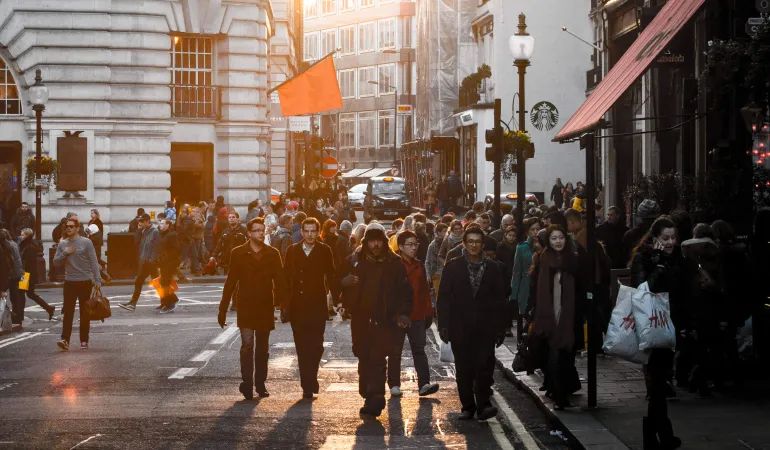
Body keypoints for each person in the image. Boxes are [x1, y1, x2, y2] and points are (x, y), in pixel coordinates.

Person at [338, 221, 412, 419]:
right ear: (366, 242)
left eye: (379, 241)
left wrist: (403, 313)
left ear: (385, 242)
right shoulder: (354, 260)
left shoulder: (394, 263)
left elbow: (405, 291)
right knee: (363, 356)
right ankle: (367, 393)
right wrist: (342, 285)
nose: (376, 245)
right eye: (372, 242)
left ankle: (376, 396)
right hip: (361, 319)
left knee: (379, 359)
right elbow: (339, 280)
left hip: (384, 319)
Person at [437, 225, 507, 420]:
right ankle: (468, 406)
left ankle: (484, 404)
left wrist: (501, 327)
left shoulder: (493, 268)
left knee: (485, 365)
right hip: (460, 326)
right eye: (470, 242)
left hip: (486, 326)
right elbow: (443, 298)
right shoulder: (453, 266)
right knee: (464, 368)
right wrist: (444, 324)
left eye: (477, 241)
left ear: (482, 244)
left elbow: (500, 298)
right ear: (464, 244)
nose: (474, 245)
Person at [629, 217, 684, 450]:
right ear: (655, 238)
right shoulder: (643, 257)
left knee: (661, 384)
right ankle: (660, 434)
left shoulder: (677, 257)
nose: (671, 242)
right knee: (659, 383)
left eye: (673, 237)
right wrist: (659, 266)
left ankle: (654, 435)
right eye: (666, 238)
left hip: (672, 324)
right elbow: (642, 290)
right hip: (652, 325)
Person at [218, 217, 285, 400]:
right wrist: (223, 308)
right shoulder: (238, 253)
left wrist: (283, 305)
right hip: (246, 305)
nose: (260, 233)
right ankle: (247, 382)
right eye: (256, 230)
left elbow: (280, 281)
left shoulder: (272, 253)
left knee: (262, 348)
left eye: (262, 230)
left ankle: (260, 383)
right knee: (247, 345)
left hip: (264, 305)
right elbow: (231, 280)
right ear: (249, 233)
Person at [282, 218, 340, 398]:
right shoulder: (293, 250)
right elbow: (285, 278)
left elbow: (331, 275)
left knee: (316, 346)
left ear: (317, 232)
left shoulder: (324, 250)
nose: (309, 235)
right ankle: (307, 384)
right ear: (302, 232)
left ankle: (311, 377)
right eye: (306, 231)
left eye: (313, 231)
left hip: (316, 304)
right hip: (297, 305)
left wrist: (337, 300)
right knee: (301, 346)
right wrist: (283, 304)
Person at [528, 225, 580, 410]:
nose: (558, 241)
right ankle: (558, 395)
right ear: (548, 242)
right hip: (549, 314)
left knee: (566, 356)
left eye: (561, 238)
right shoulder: (545, 259)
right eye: (554, 238)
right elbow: (539, 289)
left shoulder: (573, 259)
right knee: (554, 355)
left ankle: (561, 391)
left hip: (569, 314)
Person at [387, 230, 439, 398]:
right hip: (398, 316)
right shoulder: (393, 264)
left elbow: (424, 290)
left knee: (419, 350)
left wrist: (428, 312)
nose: (413, 248)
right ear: (400, 246)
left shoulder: (419, 265)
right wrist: (395, 314)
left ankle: (424, 384)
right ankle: (394, 384)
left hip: (417, 315)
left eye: (415, 244)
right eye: (409, 244)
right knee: (395, 351)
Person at [53, 217, 102, 351]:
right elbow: (55, 262)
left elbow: (93, 261)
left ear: (77, 228)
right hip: (69, 283)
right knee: (68, 312)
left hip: (85, 282)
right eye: (67, 226)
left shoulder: (86, 242)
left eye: (71, 226)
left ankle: (84, 340)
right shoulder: (63, 244)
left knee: (84, 313)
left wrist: (97, 280)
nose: (68, 228)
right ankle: (65, 340)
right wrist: (65, 252)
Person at [119, 214, 159, 311]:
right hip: (145, 261)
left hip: (151, 262)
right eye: (139, 221)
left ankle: (133, 303)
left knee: (141, 281)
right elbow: (136, 241)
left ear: (147, 221)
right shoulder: (144, 231)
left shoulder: (155, 232)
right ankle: (166, 301)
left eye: (141, 221)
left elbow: (156, 248)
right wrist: (139, 230)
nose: (140, 223)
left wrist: (151, 260)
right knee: (156, 283)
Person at [19, 229, 54, 320]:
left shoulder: (29, 247)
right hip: (27, 274)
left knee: (24, 294)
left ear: (27, 236)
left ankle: (20, 315)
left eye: (22, 235)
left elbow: (27, 263)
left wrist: (23, 275)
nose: (21, 236)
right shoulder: (27, 245)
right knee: (27, 294)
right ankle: (48, 308)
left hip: (26, 275)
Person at [510, 218, 541, 320]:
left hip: (541, 284)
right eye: (532, 229)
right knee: (525, 315)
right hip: (526, 284)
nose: (536, 232)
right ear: (528, 231)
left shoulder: (546, 247)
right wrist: (514, 293)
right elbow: (516, 271)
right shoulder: (522, 247)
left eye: (538, 229)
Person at [156, 218, 181, 313]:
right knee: (164, 282)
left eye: (162, 223)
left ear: (167, 225)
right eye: (160, 223)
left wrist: (167, 257)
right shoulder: (162, 234)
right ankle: (171, 300)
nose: (160, 225)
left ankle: (169, 304)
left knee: (164, 282)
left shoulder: (172, 235)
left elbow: (177, 249)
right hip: (163, 262)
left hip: (170, 263)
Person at [496, 225, 518, 336]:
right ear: (505, 235)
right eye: (510, 235)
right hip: (503, 277)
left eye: (514, 236)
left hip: (514, 276)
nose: (511, 238)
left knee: (511, 303)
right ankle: (504, 326)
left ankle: (508, 326)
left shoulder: (517, 247)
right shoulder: (500, 246)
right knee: (504, 302)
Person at [425, 222, 447, 295]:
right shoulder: (433, 245)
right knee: (438, 296)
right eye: (444, 231)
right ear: (439, 232)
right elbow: (427, 261)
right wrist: (428, 275)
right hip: (437, 274)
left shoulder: (448, 242)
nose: (447, 233)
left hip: (447, 273)